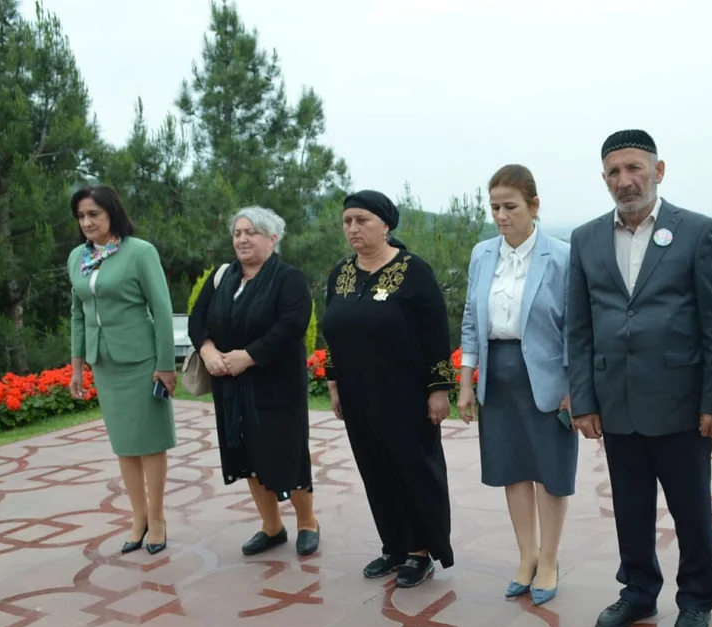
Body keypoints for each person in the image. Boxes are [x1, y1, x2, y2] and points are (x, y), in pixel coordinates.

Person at [567, 130, 712, 627]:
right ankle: (637, 591)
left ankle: (697, 598)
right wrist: (584, 399)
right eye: (614, 172)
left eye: (634, 168)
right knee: (630, 506)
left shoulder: (696, 231)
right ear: (604, 179)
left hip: (682, 402)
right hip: (616, 401)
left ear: (658, 171)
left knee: (690, 509)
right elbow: (579, 327)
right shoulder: (586, 239)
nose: (625, 180)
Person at [321, 189, 455, 588]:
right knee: (375, 470)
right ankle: (394, 545)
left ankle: (421, 550)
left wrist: (439, 389)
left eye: (362, 220)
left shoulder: (414, 272)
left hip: (406, 395)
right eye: (347, 221)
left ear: (386, 225)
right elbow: (332, 332)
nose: (353, 228)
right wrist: (333, 383)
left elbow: (437, 334)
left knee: (413, 469)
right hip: (358, 395)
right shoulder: (340, 274)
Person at [457, 165, 577, 605]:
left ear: (534, 205)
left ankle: (549, 560)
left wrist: (575, 386)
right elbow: (472, 319)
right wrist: (466, 381)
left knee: (550, 473)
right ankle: (526, 556)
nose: (501, 216)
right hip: (498, 374)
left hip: (547, 379)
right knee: (513, 469)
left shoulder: (562, 256)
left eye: (510, 206)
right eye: (494, 207)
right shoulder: (482, 254)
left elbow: (576, 328)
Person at [188, 206, 320, 558]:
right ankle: (272, 527)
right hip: (231, 387)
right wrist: (208, 351)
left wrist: (249, 356)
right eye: (238, 233)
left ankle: (307, 523)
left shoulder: (289, 278)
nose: (243, 239)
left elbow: (291, 325)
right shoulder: (222, 277)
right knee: (246, 452)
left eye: (252, 233)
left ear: (272, 239)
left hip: (276, 386)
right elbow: (198, 320)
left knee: (287, 453)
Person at [67, 184, 176, 555]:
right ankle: (138, 517)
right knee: (125, 444)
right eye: (81, 216)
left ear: (111, 213)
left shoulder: (140, 252)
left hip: (141, 362)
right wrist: (77, 366)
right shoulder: (77, 258)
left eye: (94, 214)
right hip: (105, 363)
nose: (87, 222)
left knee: (150, 441)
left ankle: (157, 519)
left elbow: (161, 310)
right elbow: (78, 314)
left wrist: (165, 365)